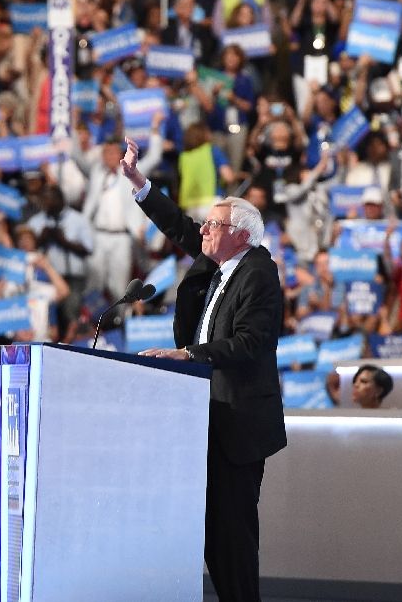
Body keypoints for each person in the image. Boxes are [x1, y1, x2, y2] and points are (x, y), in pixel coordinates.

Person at [121, 137, 286, 602]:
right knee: (215, 534)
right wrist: (138, 182)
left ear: (240, 234)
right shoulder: (220, 261)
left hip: (238, 425)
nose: (204, 230)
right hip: (207, 419)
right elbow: (178, 225)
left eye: (214, 224)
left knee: (232, 537)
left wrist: (189, 355)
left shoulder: (256, 270)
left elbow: (252, 343)